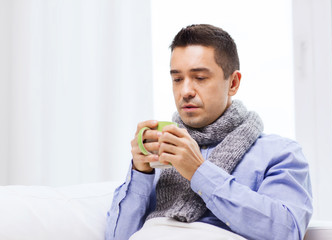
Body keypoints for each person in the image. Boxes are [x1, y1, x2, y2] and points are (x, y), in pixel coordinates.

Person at [105, 24, 313, 240]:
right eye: (177, 79)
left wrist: (199, 172)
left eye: (200, 78)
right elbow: (116, 237)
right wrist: (140, 173)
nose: (185, 91)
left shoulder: (280, 153)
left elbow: (286, 231)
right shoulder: (158, 154)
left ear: (233, 83)